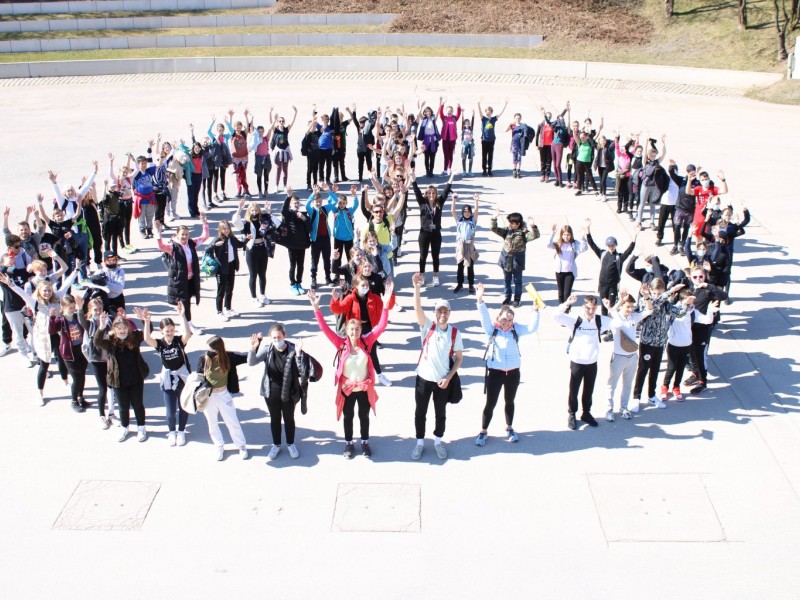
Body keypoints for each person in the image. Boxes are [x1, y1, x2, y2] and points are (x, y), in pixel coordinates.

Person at [308, 280, 393, 458]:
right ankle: (348, 444)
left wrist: (385, 305)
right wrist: (316, 308)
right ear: (346, 331)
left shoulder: (366, 342)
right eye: (351, 329)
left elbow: (381, 326)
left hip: (363, 388)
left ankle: (364, 442)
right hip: (346, 389)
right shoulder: (340, 343)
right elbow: (324, 329)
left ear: (361, 330)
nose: (354, 332)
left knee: (364, 416)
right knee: (348, 417)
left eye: (357, 329)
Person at [474, 282, 540, 446]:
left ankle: (509, 428)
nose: (506, 323)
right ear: (498, 318)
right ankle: (483, 432)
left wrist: (535, 310)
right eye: (504, 319)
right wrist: (480, 299)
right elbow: (483, 317)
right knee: (490, 403)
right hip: (495, 373)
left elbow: (532, 328)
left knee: (509, 401)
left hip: (512, 373)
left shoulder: (516, 329)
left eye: (509, 320)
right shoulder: (492, 330)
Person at [410, 272, 464, 460]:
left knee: (440, 413)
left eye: (445, 311)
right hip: (424, 378)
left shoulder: (455, 333)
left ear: (449, 314)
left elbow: (459, 358)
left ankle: (438, 442)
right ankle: (419, 443)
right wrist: (417, 288)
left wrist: (448, 378)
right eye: (439, 311)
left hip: (442, 381)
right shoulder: (428, 328)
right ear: (435, 313)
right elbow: (417, 309)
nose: (442, 314)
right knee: (420, 412)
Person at [553, 295, 613, 430]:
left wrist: (610, 308)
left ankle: (586, 413)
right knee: (574, 389)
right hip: (577, 361)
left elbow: (616, 321)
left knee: (588, 389)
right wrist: (567, 303)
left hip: (592, 361)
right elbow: (555, 315)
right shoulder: (576, 319)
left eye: (593, 308)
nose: (590, 311)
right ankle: (572, 414)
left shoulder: (599, 320)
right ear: (583, 307)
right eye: (588, 308)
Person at [629, 280, 688, 412]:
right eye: (654, 293)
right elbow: (653, 305)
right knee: (643, 369)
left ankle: (651, 395)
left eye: (659, 293)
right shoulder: (646, 300)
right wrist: (670, 291)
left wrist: (685, 304)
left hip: (660, 342)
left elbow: (678, 313)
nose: (656, 295)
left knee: (655, 370)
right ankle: (636, 397)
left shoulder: (665, 302)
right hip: (647, 342)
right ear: (650, 290)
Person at [248, 324, 304, 461]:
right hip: (271, 391)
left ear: (284, 336)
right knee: (275, 418)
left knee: (289, 418)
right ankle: (276, 445)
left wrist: (298, 354)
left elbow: (301, 371)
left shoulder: (292, 349)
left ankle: (290, 444)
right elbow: (251, 362)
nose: (277, 339)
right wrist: (253, 348)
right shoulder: (268, 350)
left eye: (279, 337)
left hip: (289, 392)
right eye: (274, 337)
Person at [93, 310, 150, 442]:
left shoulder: (134, 338)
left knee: (138, 405)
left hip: (135, 378)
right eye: (119, 328)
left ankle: (141, 427)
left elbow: (148, 333)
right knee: (123, 406)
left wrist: (145, 320)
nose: (123, 331)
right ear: (115, 329)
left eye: (125, 328)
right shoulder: (110, 342)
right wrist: (101, 327)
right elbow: (97, 342)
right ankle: (125, 427)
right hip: (118, 380)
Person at [155, 214, 210, 334]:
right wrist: (158, 233)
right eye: (182, 235)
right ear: (177, 235)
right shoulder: (173, 247)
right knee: (184, 303)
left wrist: (204, 223)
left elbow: (205, 236)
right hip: (179, 280)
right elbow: (161, 246)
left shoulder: (191, 243)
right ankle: (189, 325)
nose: (184, 237)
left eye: (186, 234)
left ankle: (183, 324)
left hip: (190, 278)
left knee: (186, 302)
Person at [197, 335, 249, 461]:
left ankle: (241, 446)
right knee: (212, 423)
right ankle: (219, 445)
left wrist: (255, 345)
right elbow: (198, 376)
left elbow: (245, 357)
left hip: (223, 394)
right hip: (209, 396)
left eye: (210, 348)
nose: (208, 351)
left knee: (232, 421)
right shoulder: (203, 358)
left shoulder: (228, 357)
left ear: (217, 348)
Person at [604, 292, 651, 421]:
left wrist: (646, 296)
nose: (630, 310)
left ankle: (624, 408)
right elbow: (614, 314)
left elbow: (649, 310)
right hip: (618, 357)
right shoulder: (615, 318)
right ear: (622, 306)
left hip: (632, 357)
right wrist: (620, 301)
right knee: (611, 385)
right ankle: (609, 410)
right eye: (627, 307)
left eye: (632, 307)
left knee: (627, 384)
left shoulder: (634, 317)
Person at [585, 219, 639, 318]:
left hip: (612, 286)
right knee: (603, 307)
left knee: (612, 306)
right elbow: (592, 244)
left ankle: (611, 323)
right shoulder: (603, 254)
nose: (611, 247)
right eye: (609, 245)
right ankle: (604, 324)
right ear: (607, 246)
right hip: (602, 285)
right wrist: (588, 229)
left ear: (616, 245)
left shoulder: (619, 257)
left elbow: (629, 250)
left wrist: (635, 236)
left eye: (613, 245)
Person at [411, 169, 454, 287]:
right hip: (424, 233)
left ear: (436, 194)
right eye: (429, 193)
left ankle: (435, 277)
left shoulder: (439, 203)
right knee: (423, 256)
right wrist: (412, 177)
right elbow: (416, 191)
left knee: (435, 255)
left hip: (436, 233)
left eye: (433, 193)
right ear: (426, 194)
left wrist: (452, 176)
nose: (431, 195)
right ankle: (422, 276)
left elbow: (446, 191)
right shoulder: (422, 203)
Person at [490, 208, 540, 307]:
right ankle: (507, 297)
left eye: (512, 223)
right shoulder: (507, 231)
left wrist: (533, 226)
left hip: (517, 260)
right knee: (506, 280)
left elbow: (536, 235)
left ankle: (517, 299)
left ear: (518, 223)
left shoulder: (523, 233)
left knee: (518, 281)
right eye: (509, 222)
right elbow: (494, 229)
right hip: (506, 259)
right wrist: (494, 218)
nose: (510, 224)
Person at [233, 200, 276, 307]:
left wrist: (269, 211)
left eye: (256, 210)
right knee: (253, 274)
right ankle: (254, 298)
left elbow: (276, 222)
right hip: (251, 250)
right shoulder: (246, 223)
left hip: (262, 248)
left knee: (262, 274)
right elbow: (235, 221)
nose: (254, 212)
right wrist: (239, 209)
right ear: (249, 211)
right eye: (252, 210)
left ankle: (262, 295)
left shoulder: (264, 220)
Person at [208, 220, 246, 322]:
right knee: (221, 291)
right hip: (221, 269)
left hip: (231, 266)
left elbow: (240, 245)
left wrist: (247, 239)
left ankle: (228, 308)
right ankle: (219, 311)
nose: (226, 230)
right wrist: (214, 245)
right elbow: (207, 249)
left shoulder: (232, 238)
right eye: (224, 228)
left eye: (227, 228)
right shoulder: (217, 239)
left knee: (230, 289)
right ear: (220, 229)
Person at [280, 188, 312, 295]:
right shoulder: (288, 214)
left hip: (302, 244)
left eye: (298, 203)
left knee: (301, 265)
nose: (296, 205)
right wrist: (288, 196)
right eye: (294, 203)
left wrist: (304, 218)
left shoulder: (303, 215)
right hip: (292, 244)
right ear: (291, 204)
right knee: (293, 265)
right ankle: (292, 284)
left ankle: (299, 283)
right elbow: (283, 211)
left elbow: (309, 228)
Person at [547, 223, 588, 305]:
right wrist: (552, 233)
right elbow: (548, 245)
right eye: (564, 234)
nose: (566, 237)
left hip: (570, 272)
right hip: (559, 271)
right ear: (561, 235)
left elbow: (584, 248)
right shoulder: (558, 244)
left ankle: (567, 309)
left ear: (571, 235)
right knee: (561, 292)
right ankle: (561, 307)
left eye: (568, 235)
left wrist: (582, 237)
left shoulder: (574, 244)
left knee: (567, 293)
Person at [451, 192, 480, 294]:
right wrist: (454, 200)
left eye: (468, 211)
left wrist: (476, 201)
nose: (467, 213)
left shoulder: (473, 221)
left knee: (470, 267)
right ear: (462, 212)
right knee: (460, 266)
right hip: (460, 246)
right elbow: (453, 211)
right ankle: (460, 284)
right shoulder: (459, 220)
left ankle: (471, 285)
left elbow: (476, 211)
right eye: (465, 211)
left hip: (470, 246)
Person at [271, 107, 298, 193]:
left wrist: (295, 112)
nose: (281, 122)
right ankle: (276, 186)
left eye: (283, 121)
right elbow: (271, 123)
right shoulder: (276, 130)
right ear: (278, 122)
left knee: (285, 169)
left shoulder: (286, 130)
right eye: (280, 121)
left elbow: (292, 122)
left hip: (286, 151)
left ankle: (285, 186)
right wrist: (271, 113)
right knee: (278, 169)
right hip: (279, 152)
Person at [478, 99, 507, 176]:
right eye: (487, 111)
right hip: (484, 140)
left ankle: (489, 169)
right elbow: (480, 113)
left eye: (489, 111)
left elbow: (500, 113)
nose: (488, 112)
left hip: (491, 140)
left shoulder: (493, 119)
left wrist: (505, 104)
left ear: (491, 112)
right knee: (484, 155)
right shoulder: (483, 119)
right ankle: (484, 170)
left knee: (490, 155)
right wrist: (478, 103)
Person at [416, 103, 441, 178]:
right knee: (426, 157)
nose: (428, 113)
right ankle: (427, 171)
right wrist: (420, 105)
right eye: (426, 111)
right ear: (424, 112)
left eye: (429, 111)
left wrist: (440, 103)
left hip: (433, 140)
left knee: (433, 157)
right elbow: (419, 113)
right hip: (426, 140)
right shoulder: (423, 120)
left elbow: (437, 113)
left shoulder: (433, 119)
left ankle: (431, 171)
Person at [438, 98, 461, 176]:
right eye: (448, 111)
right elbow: (440, 112)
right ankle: (445, 170)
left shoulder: (454, 118)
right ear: (446, 111)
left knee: (451, 154)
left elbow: (459, 113)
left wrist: (458, 106)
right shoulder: (444, 118)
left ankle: (449, 169)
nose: (449, 112)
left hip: (452, 140)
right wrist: (442, 104)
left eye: (451, 111)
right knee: (446, 154)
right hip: (445, 139)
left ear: (452, 111)